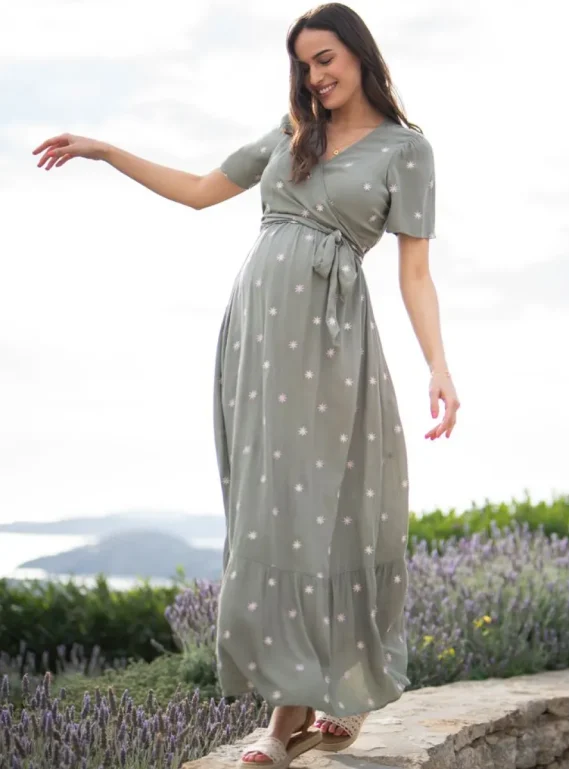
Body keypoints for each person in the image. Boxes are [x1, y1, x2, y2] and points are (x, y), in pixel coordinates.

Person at [32, 3, 460, 768]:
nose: (315, 76)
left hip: (330, 343)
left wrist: (438, 364)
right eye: (303, 64)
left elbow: (417, 272)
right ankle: (307, 697)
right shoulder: (293, 133)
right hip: (257, 342)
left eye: (325, 58)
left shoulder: (408, 150)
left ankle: (292, 714)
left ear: (359, 54)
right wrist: (106, 150)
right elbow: (200, 189)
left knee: (322, 509)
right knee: (269, 514)